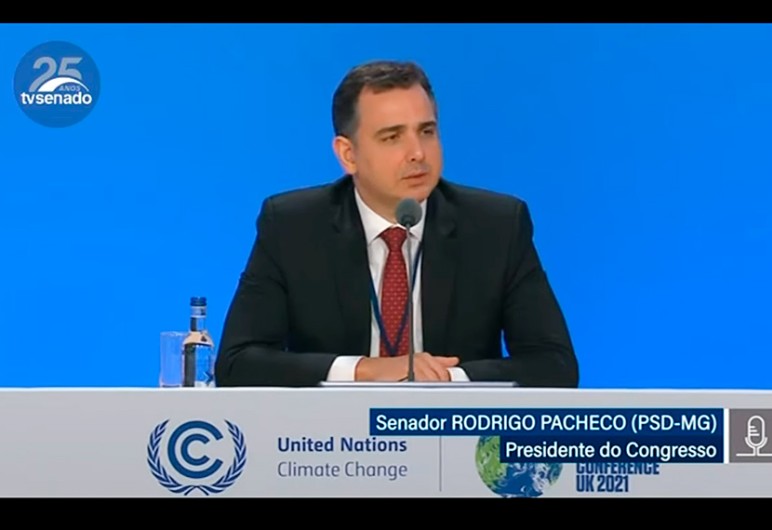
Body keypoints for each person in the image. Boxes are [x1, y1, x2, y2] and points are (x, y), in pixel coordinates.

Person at [214, 60, 578, 388]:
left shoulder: (496, 226)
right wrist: (364, 370)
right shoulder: (293, 226)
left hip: (453, 432)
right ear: (348, 154)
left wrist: (446, 379)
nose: (417, 153)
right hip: (331, 437)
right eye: (392, 137)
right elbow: (237, 363)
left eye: (427, 132)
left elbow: (554, 364)